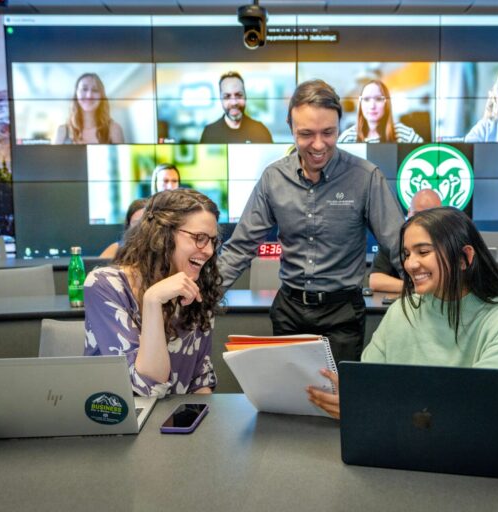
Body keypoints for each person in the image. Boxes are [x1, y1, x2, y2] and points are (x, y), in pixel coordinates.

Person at [218, 79, 404, 363]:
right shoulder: (273, 178)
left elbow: (400, 245)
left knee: (336, 404)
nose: (318, 145)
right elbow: (241, 247)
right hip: (289, 312)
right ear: (291, 131)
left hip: (342, 315)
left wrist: (435, 295)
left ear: (340, 127)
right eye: (306, 134)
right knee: (288, 402)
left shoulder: (365, 177)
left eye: (328, 132)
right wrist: (204, 296)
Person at [308, 207, 498, 417]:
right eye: (407, 254)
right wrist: (352, 394)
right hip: (396, 445)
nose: (410, 264)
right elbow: (369, 383)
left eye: (423, 252)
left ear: (464, 258)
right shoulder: (402, 310)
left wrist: (370, 403)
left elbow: (481, 401)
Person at [84, 189, 222, 397]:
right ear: (161, 235)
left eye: (212, 240)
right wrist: (152, 300)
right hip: (118, 422)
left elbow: (199, 380)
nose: (209, 250)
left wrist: (205, 426)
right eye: (199, 238)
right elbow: (148, 387)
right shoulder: (106, 285)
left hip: (176, 423)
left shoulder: (196, 285)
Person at [369, 188, 443, 293]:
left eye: (430, 214)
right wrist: (416, 286)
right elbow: (375, 280)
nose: (423, 220)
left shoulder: (452, 240)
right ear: (409, 212)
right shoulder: (393, 239)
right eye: (407, 253)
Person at [338, 80, 423, 143]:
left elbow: (428, 155)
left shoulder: (404, 134)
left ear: (387, 103)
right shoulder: (348, 137)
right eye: (366, 99)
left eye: (378, 99)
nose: (372, 106)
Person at [200, 71, 273, 144]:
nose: (234, 102)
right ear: (221, 99)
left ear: (245, 96)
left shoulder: (261, 130)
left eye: (239, 95)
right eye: (227, 97)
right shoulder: (209, 132)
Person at [54, 72, 125, 145]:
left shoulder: (114, 129)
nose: (89, 95)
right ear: (76, 95)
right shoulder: (62, 131)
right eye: (84, 89)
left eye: (95, 90)